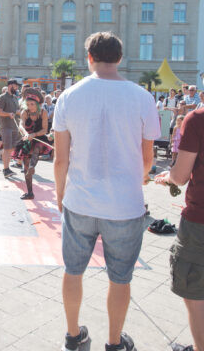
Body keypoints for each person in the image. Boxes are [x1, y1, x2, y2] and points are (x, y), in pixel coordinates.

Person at [53, 32, 160, 351]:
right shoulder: (141, 96)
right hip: (124, 205)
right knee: (120, 277)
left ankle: (73, 337)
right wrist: (136, 180)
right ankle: (114, 342)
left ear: (89, 58)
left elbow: (60, 159)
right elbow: (148, 158)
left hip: (80, 200)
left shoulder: (69, 96)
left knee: (73, 271)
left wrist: (60, 197)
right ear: (120, 58)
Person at [155, 107, 204, 351]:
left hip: (200, 222)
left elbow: (181, 175)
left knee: (195, 290)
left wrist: (168, 177)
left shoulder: (198, 119)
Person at [12, 89, 49, 199]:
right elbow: (21, 125)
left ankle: (32, 167)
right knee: (26, 164)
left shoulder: (43, 112)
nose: (30, 106)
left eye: (32, 104)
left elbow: (45, 130)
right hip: (27, 138)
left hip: (40, 138)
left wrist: (34, 134)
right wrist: (27, 133)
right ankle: (30, 192)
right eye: (27, 104)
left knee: (37, 148)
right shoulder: (24, 112)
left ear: (37, 104)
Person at [0, 79, 20, 178]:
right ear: (11, 85)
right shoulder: (2, 97)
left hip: (15, 126)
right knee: (7, 149)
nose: (17, 88)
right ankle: (6, 169)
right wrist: (8, 114)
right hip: (6, 127)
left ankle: (7, 167)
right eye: (16, 86)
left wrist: (19, 112)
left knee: (12, 148)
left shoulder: (15, 98)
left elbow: (17, 110)